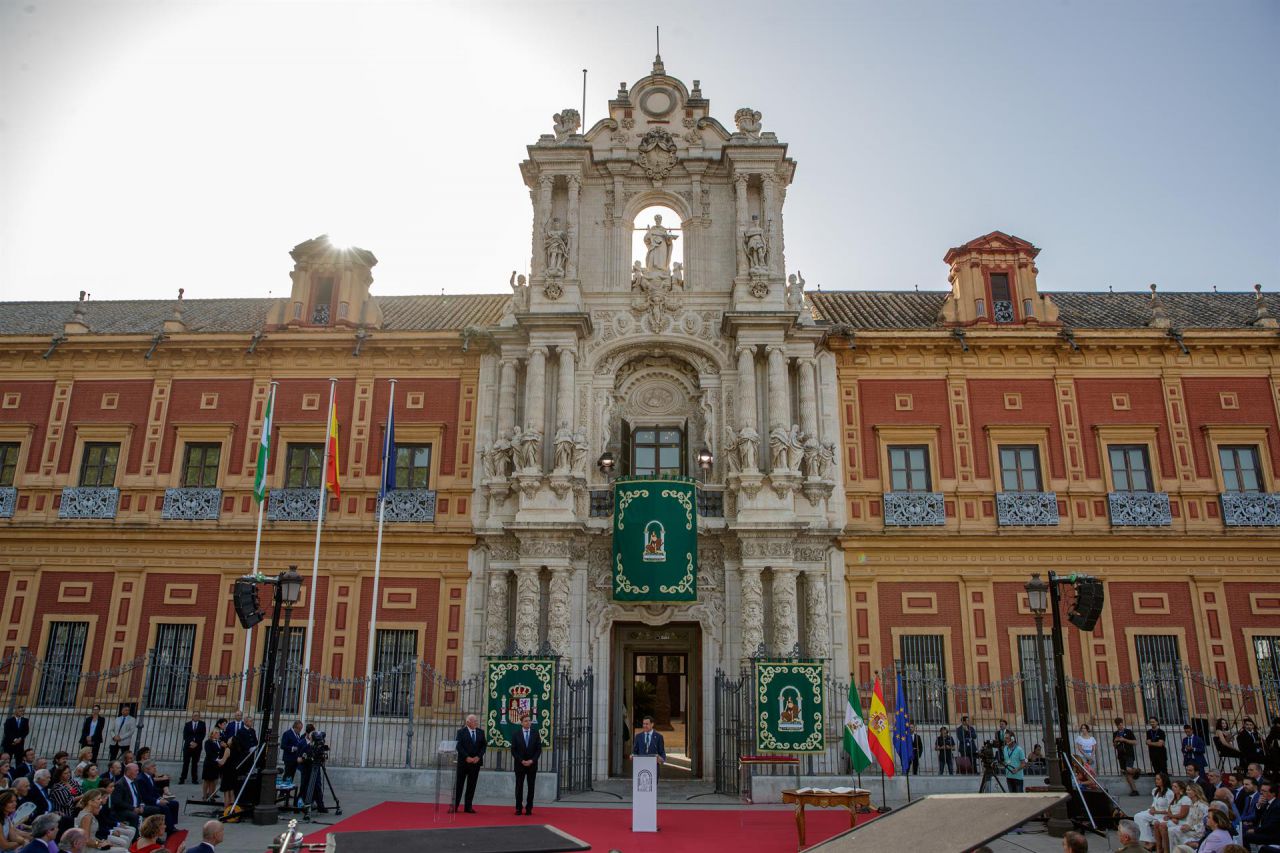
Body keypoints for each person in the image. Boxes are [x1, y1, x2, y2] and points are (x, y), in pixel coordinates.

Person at [451, 714, 486, 814]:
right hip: (464, 763)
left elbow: (484, 746)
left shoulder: (480, 732)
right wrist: (467, 757)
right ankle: (455, 806)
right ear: (468, 722)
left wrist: (478, 757)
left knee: (472, 785)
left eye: (476, 720)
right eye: (474, 721)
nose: (476, 722)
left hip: (475, 763)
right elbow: (459, 746)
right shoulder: (461, 732)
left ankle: (468, 806)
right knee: (459, 785)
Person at [510, 713, 541, 816]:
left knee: (531, 787)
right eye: (526, 721)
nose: (528, 722)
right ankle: (518, 808)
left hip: (532, 765)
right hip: (520, 765)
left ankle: (529, 808)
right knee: (519, 787)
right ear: (522, 723)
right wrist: (521, 760)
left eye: (529, 720)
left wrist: (532, 760)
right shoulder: (515, 734)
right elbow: (513, 750)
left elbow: (538, 750)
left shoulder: (535, 733)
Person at [1165, 780, 1208, 850]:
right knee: (1171, 830)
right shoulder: (1191, 804)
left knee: (1173, 831)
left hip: (1198, 832)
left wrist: (1190, 827)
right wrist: (1187, 825)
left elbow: (1204, 823)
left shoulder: (1202, 806)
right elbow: (1189, 819)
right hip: (1191, 829)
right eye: (1187, 790)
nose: (1187, 791)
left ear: (1195, 792)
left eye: (1189, 790)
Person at [1135, 772, 1175, 847]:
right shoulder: (1155, 790)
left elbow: (1171, 809)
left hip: (1163, 814)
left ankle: (1153, 843)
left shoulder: (1169, 793)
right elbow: (1154, 803)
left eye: (1158, 779)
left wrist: (1156, 811)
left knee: (1157, 822)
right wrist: (1152, 809)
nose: (1156, 781)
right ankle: (1149, 840)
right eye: (1156, 779)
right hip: (1154, 812)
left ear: (1164, 780)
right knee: (1138, 816)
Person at [135, 762, 177, 833]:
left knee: (175, 804)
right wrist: (158, 801)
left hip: (154, 799)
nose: (155, 768)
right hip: (147, 802)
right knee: (164, 807)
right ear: (146, 769)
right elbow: (145, 797)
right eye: (153, 767)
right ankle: (170, 829)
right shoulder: (141, 779)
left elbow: (154, 791)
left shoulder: (150, 776)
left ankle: (172, 825)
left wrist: (161, 798)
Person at [1243, 779, 1280, 849]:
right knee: (1244, 829)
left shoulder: (1277, 806)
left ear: (1273, 794)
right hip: (1264, 830)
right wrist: (1259, 805)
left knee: (1246, 836)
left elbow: (1271, 826)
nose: (1261, 793)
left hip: (1273, 835)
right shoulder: (1266, 802)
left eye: (1264, 791)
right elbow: (1257, 818)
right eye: (1261, 790)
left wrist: (1255, 830)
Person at [107, 765, 143, 830]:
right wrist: (133, 808)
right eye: (136, 771)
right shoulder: (120, 784)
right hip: (123, 810)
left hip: (136, 807)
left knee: (156, 809)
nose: (138, 772)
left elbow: (139, 796)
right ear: (128, 772)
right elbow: (118, 802)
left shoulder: (135, 781)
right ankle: (135, 837)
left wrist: (141, 806)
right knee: (134, 816)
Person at [1114, 717, 1142, 795]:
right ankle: (1134, 790)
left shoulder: (1128, 732)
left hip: (1129, 754)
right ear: (1116, 725)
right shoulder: (1115, 733)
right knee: (1127, 774)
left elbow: (1135, 742)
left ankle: (1137, 770)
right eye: (1118, 725)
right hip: (1121, 755)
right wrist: (1116, 741)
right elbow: (1114, 745)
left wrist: (1124, 740)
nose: (1120, 726)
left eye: (1121, 724)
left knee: (1128, 769)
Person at [179, 713, 205, 787]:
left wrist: (196, 743)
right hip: (188, 747)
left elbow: (202, 735)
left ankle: (194, 779)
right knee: (186, 763)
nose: (196, 717)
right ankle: (182, 779)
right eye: (195, 715)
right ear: (192, 716)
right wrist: (191, 742)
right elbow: (185, 735)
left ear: (199, 717)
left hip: (197, 747)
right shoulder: (187, 724)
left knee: (195, 763)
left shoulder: (202, 724)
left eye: (197, 715)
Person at [199, 722, 223, 802]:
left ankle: (212, 795)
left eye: (218, 733)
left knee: (214, 780)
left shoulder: (220, 742)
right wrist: (217, 760)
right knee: (207, 780)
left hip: (216, 765)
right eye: (216, 733)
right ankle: (205, 796)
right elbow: (209, 753)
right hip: (209, 763)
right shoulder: (208, 742)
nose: (217, 734)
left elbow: (221, 752)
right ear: (212, 734)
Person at [280, 722, 304, 786]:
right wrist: (293, 748)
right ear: (295, 727)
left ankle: (288, 791)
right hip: (289, 758)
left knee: (291, 776)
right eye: (299, 729)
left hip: (295, 759)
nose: (300, 730)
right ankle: (283, 791)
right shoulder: (287, 733)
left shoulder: (297, 735)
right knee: (287, 774)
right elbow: (282, 746)